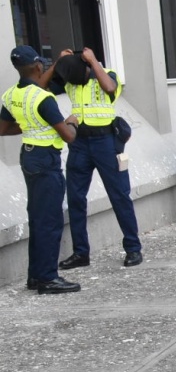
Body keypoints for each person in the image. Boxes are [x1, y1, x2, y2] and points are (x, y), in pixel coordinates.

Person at [48, 48, 143, 269]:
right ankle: (81, 253)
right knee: (76, 199)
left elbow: (110, 88)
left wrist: (92, 61)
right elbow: (43, 87)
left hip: (106, 142)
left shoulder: (108, 74)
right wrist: (59, 64)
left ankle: (133, 248)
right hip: (79, 143)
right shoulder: (71, 78)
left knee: (119, 195)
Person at [0, 46, 80, 294]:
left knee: (37, 217)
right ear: (37, 66)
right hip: (46, 160)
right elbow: (68, 137)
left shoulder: (10, 95)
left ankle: (35, 276)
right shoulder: (44, 99)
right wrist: (72, 122)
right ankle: (47, 278)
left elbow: (3, 129)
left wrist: (31, 129)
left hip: (29, 156)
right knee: (49, 220)